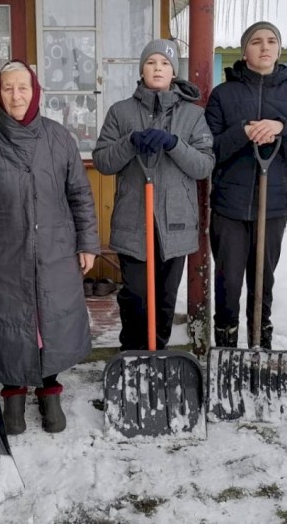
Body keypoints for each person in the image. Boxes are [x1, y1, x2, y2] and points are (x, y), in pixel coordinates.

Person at [0, 61, 100, 436]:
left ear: (35, 91)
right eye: (8, 88)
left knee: (49, 319)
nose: (16, 96)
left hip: (55, 246)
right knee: (9, 322)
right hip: (1, 251)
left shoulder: (58, 138)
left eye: (23, 88)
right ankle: (14, 392)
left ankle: (49, 388)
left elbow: (80, 195)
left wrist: (87, 241)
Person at [93, 39, 214, 351]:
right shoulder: (120, 113)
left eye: (164, 63)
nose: (158, 68)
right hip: (134, 222)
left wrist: (174, 144)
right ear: (142, 69)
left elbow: (203, 165)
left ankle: (157, 358)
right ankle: (132, 358)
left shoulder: (192, 116)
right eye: (151, 62)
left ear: (173, 71)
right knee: (135, 296)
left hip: (175, 224)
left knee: (164, 301)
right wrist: (130, 141)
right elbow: (104, 161)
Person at [205, 21, 287, 350]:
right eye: (256, 41)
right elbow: (209, 149)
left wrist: (282, 126)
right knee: (228, 282)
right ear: (244, 51)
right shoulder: (223, 95)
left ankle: (259, 347)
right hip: (229, 208)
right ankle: (225, 350)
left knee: (262, 282)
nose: (264, 47)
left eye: (271, 41)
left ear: (279, 49)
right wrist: (242, 131)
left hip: (273, 206)